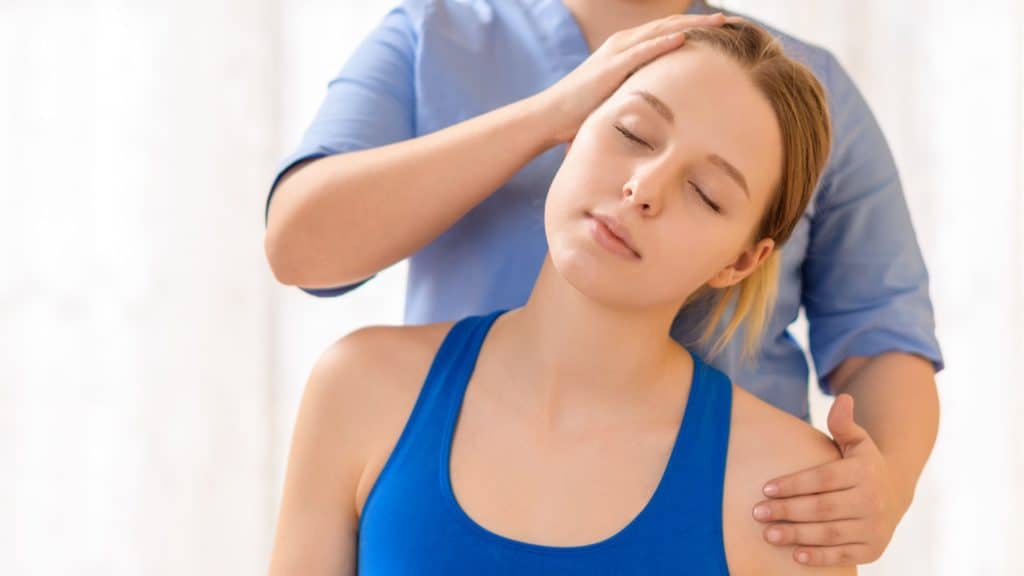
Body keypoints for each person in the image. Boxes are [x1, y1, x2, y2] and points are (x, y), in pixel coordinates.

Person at [264, 0, 943, 568]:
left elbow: (883, 326)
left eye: (706, 194)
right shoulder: (435, 34)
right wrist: (549, 112)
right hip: (428, 466)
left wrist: (881, 486)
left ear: (743, 259)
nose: (642, 190)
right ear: (575, 135)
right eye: (627, 132)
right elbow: (301, 242)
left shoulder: (775, 487)